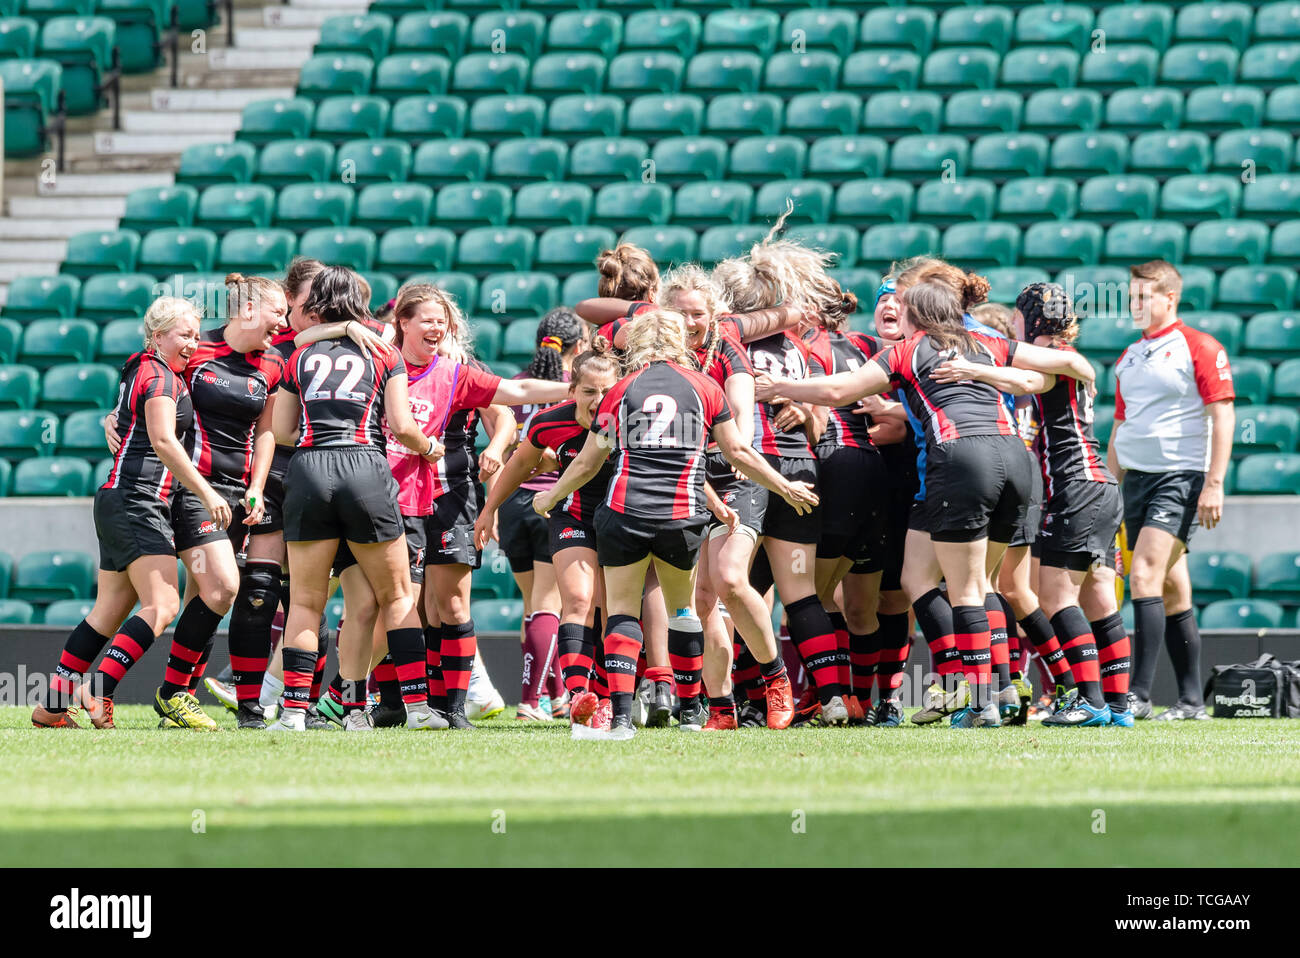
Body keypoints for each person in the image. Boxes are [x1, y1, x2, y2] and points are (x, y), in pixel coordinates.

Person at [757, 280, 1095, 727]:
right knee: (971, 580)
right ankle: (1007, 688)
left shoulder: (908, 349)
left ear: (916, 316)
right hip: (1016, 458)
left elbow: (840, 392)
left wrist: (780, 386)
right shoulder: (985, 339)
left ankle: (980, 704)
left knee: (967, 589)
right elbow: (1059, 368)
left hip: (962, 457)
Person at [534, 309, 819, 740]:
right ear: (680, 344)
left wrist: (551, 496)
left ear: (637, 347)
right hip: (681, 515)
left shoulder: (621, 390)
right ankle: (690, 712)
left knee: (623, 613)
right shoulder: (706, 387)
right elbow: (738, 451)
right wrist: (783, 486)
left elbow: (590, 461)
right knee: (683, 610)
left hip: (624, 512)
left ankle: (623, 719)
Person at [933, 283, 1129, 727]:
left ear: (1030, 319)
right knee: (1099, 597)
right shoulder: (1068, 357)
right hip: (1099, 484)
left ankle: (1091, 701)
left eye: (1019, 317)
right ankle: (1117, 705)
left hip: (1074, 485)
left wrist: (972, 370)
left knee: (1057, 597)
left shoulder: (1055, 360)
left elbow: (1025, 380)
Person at [32, 298, 232, 729]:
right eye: (184, 334)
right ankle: (98, 688)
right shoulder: (159, 375)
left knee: (107, 611)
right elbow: (162, 440)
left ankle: (50, 706)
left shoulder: (141, 365)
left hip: (118, 498)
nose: (193, 343)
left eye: (196, 335)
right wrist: (206, 492)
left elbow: (129, 419)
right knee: (163, 605)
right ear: (157, 336)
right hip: (137, 499)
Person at [271, 267, 447, 732]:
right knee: (395, 596)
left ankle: (291, 713)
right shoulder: (386, 355)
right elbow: (403, 426)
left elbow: (283, 431)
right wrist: (430, 448)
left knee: (307, 604)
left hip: (309, 470)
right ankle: (415, 710)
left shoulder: (298, 357)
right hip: (364, 467)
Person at [661, 264, 796, 732]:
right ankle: (720, 707)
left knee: (731, 580)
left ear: (713, 315)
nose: (689, 322)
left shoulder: (727, 354)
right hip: (686, 480)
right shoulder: (655, 361)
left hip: (737, 476)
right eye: (679, 314)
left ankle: (776, 679)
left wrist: (725, 445)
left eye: (697, 313)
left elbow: (742, 422)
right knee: (699, 602)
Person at [1107, 260, 1235, 720]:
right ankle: (1190, 701)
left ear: (1170, 298)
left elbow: (1223, 415)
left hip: (1179, 477)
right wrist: (1107, 485)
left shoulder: (1198, 346)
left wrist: (1214, 483)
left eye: (1144, 296)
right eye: (1131, 295)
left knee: (1141, 575)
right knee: (1174, 590)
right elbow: (1122, 426)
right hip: (1137, 481)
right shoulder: (1129, 356)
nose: (1135, 304)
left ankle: (1138, 695)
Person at [475, 340, 622, 729]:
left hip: (621, 520)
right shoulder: (548, 422)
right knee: (576, 599)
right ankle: (577, 698)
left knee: (609, 611)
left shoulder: (629, 421)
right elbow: (518, 465)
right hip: (570, 515)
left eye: (606, 391)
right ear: (571, 391)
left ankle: (609, 698)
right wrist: (489, 510)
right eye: (589, 391)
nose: (597, 400)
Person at [497, 307, 590, 720]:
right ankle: (530, 702)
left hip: (514, 504)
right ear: (580, 346)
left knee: (532, 607)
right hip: (552, 503)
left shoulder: (519, 385)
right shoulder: (580, 390)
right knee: (549, 606)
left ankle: (554, 697)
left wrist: (493, 509)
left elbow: (503, 452)